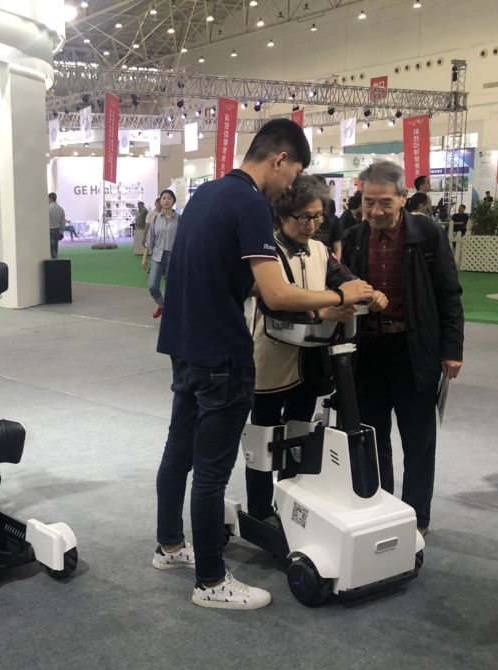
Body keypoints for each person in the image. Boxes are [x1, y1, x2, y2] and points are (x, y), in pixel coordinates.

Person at [153, 118, 373, 610]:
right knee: (211, 472)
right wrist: (341, 294)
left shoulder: (205, 195)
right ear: (280, 159)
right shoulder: (250, 203)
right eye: (292, 173)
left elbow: (222, 276)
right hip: (222, 354)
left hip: (184, 346)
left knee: (179, 452)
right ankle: (211, 582)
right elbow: (276, 294)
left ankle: (170, 546)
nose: (290, 185)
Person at [245, 174, 386, 521]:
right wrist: (324, 309)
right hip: (269, 362)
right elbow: (275, 305)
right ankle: (260, 511)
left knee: (301, 436)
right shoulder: (265, 253)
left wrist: (369, 293)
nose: (312, 225)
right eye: (304, 217)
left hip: (309, 364)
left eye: (318, 216)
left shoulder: (321, 251)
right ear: (283, 215)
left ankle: (290, 505)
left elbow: (345, 279)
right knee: (264, 440)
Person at [341, 160, 464, 536]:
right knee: (372, 438)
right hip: (368, 351)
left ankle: (416, 520)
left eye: (385, 202)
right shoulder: (354, 237)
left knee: (419, 442)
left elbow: (449, 293)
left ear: (403, 197)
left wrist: (452, 348)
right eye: (369, 202)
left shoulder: (426, 233)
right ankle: (381, 513)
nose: (376, 211)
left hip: (414, 349)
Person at [142, 189, 178, 319]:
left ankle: (170, 313)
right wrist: (144, 257)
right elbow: (150, 240)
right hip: (157, 256)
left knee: (171, 287)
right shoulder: (155, 218)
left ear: (173, 201)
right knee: (152, 286)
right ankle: (161, 304)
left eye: (169, 198)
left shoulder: (179, 219)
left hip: (173, 257)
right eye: (164, 198)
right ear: (160, 201)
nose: (166, 200)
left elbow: (183, 240)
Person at [48, 192, 65, 259]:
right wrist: (62, 232)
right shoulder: (60, 209)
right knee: (55, 248)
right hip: (57, 230)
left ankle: (55, 261)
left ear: (50, 198)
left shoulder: (47, 208)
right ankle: (55, 261)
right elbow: (63, 222)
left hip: (50, 230)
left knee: (51, 249)